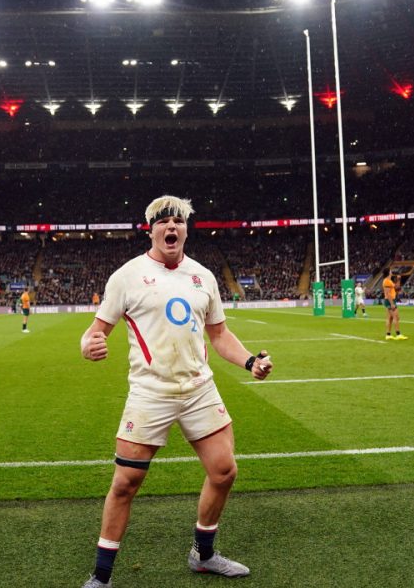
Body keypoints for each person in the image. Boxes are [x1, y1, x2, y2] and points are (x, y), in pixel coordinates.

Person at [79, 195, 274, 587]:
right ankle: (101, 578)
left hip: (199, 389)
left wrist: (251, 362)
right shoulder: (126, 276)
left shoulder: (203, 276)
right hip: (151, 393)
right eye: (163, 222)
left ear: (186, 229)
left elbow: (219, 335)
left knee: (224, 471)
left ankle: (203, 555)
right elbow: (96, 330)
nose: (171, 227)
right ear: (150, 229)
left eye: (178, 221)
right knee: (125, 484)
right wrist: (89, 343)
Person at [382, 269, 406, 340]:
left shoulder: (389, 281)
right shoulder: (386, 281)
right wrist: (392, 303)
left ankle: (388, 334)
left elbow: (397, 288)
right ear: (388, 273)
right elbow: (387, 293)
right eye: (390, 271)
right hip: (390, 300)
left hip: (390, 300)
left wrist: (398, 279)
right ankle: (398, 334)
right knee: (396, 317)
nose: (391, 272)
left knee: (390, 318)